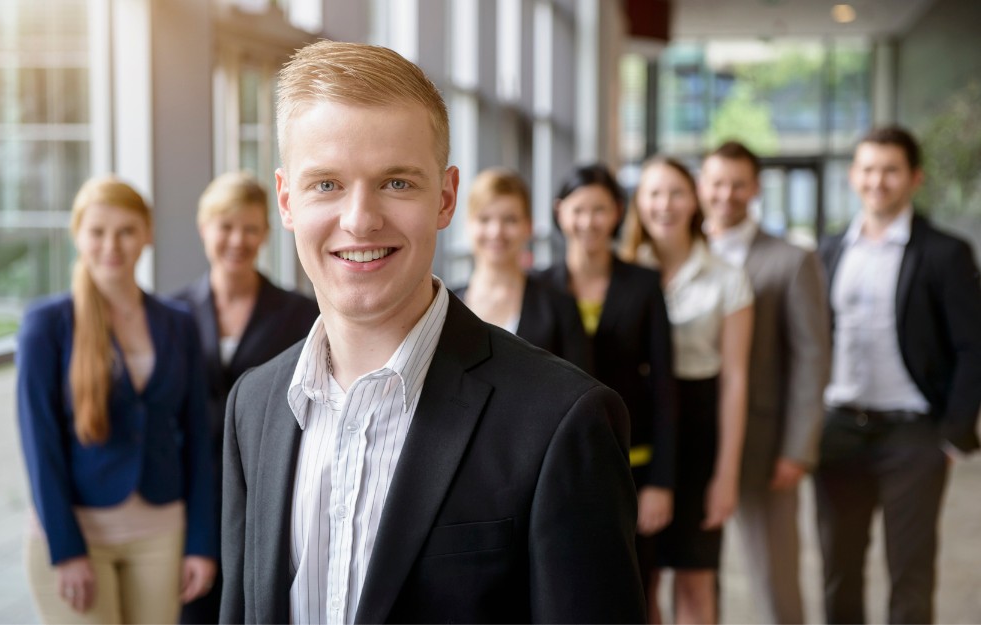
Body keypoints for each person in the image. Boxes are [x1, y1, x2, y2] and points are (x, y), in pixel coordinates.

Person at [219, 40, 646, 624]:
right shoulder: (255, 404)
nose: (360, 219)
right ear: (286, 199)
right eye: (326, 184)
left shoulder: (560, 421)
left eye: (397, 183)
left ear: (445, 197)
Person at [16, 175, 217, 624]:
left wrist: (202, 543)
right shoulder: (46, 325)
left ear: (147, 234)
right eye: (98, 231)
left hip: (161, 532)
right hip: (77, 534)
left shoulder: (178, 322)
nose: (113, 244)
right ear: (78, 236)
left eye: (126, 230)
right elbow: (39, 445)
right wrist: (66, 551)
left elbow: (199, 441)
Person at [816, 126, 981, 624]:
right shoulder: (827, 251)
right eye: (868, 169)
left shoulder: (945, 253)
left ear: (914, 178)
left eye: (890, 170)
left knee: (909, 569)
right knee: (838, 568)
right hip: (838, 430)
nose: (877, 181)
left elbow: (973, 347)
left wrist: (952, 435)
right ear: (852, 177)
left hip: (913, 433)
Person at [171, 171, 319, 623]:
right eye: (226, 226)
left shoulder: (299, 313)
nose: (238, 239)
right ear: (204, 228)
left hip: (265, 489)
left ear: (266, 233)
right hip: (188, 495)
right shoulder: (171, 314)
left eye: (251, 227)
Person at [698, 140, 830, 624]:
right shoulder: (678, 254)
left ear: (754, 189)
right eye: (716, 182)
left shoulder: (791, 260)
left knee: (775, 579)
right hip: (693, 444)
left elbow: (812, 360)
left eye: (737, 184)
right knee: (694, 579)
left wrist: (797, 448)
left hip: (765, 444)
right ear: (701, 185)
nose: (726, 194)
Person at [534, 163, 677, 600]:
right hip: (557, 461)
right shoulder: (539, 286)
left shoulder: (645, 284)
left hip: (634, 458)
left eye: (600, 210)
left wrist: (661, 483)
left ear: (617, 212)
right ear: (560, 212)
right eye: (578, 210)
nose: (588, 222)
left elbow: (666, 387)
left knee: (638, 586)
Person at [621, 156, 752, 624]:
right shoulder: (623, 272)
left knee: (696, 577)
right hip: (640, 432)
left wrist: (727, 474)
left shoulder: (727, 278)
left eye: (676, 192)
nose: (665, 204)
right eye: (653, 193)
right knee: (642, 579)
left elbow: (735, 380)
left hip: (699, 431)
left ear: (694, 198)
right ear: (638, 202)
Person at [453, 166, 589, 370]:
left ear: (529, 226)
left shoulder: (559, 305)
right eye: (484, 219)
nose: (496, 231)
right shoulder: (446, 306)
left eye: (510, 220)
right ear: (468, 224)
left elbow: (585, 390)